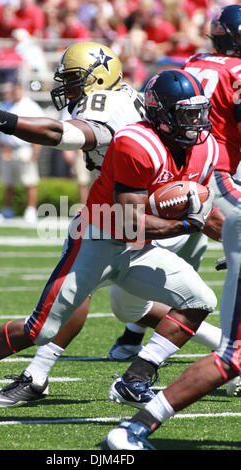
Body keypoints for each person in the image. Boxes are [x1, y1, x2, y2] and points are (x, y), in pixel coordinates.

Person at [0, 42, 225, 410]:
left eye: (75, 80)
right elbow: (140, 216)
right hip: (111, 222)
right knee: (60, 320)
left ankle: (133, 377)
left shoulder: (118, 111)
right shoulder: (133, 123)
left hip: (141, 216)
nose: (69, 88)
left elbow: (60, 135)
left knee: (171, 302)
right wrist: (191, 224)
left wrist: (0, 119)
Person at [109, 4, 241, 398]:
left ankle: (133, 339)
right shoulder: (235, 70)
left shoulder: (196, 60)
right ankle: (229, 358)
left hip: (188, 164)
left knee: (180, 262)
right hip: (215, 170)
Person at [104, 201, 241, 450]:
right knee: (232, 356)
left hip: (182, 231)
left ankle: (134, 370)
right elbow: (221, 184)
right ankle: (137, 425)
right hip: (123, 239)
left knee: (201, 304)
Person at [0, 81, 45, 223]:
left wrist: (36, 150)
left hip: (24, 148)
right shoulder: (7, 105)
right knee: (7, 182)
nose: (15, 92)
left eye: (17, 89)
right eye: (13, 90)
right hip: (8, 150)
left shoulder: (30, 106)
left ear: (22, 90)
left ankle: (31, 209)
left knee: (29, 181)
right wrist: (2, 147)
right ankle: (7, 209)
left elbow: (39, 128)